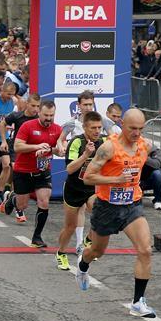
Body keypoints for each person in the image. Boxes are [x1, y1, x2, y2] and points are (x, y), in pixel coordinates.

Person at [79, 109, 157, 318]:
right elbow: (88, 177)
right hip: (107, 208)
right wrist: (114, 180)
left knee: (145, 250)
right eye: (132, 128)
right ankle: (83, 263)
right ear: (122, 124)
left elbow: (151, 154)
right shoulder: (108, 148)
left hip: (132, 205)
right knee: (97, 252)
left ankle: (138, 303)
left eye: (140, 129)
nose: (136, 133)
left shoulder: (145, 144)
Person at [5, 101, 63, 248]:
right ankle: (12, 199)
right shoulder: (28, 126)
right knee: (22, 205)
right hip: (23, 171)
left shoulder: (57, 129)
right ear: (39, 113)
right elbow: (17, 147)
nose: (48, 118)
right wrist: (36, 146)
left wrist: (60, 149)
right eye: (46, 115)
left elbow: (59, 148)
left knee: (44, 201)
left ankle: (37, 237)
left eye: (51, 115)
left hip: (42, 171)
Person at [57, 111, 104, 271]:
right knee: (70, 226)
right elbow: (70, 169)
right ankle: (61, 253)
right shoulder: (77, 142)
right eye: (93, 128)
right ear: (84, 127)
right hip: (73, 189)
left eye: (99, 127)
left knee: (100, 214)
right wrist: (86, 155)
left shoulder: (103, 142)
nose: (97, 131)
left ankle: (88, 240)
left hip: (91, 189)